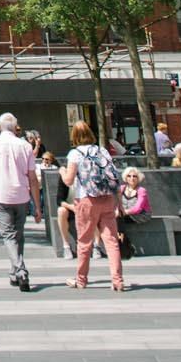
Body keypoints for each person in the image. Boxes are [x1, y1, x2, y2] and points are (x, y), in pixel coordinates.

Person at [59, 121, 123, 290]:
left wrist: (62, 171)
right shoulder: (102, 150)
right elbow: (114, 176)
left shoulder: (75, 154)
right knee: (111, 241)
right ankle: (117, 281)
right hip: (107, 198)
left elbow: (68, 180)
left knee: (84, 242)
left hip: (86, 201)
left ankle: (81, 280)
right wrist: (120, 203)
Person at [0, 112, 39, 292]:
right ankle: (14, 271)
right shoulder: (25, 146)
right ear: (15, 127)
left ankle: (20, 271)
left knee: (9, 235)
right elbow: (33, 178)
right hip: (21, 194)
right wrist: (37, 204)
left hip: (0, 195)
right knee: (17, 235)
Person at [117, 167, 150, 256]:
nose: (132, 178)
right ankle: (122, 240)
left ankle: (123, 241)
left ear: (138, 178)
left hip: (140, 215)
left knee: (118, 218)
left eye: (134, 176)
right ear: (125, 177)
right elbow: (117, 203)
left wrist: (122, 212)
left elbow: (138, 208)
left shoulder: (141, 190)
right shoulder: (122, 188)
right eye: (129, 176)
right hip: (125, 215)